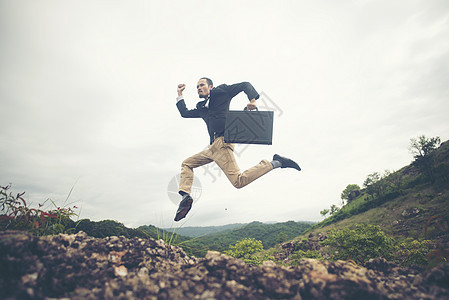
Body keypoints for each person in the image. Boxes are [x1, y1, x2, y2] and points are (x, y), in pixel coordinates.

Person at [174, 77, 301, 221]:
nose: (198, 88)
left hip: (222, 144)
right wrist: (180, 94)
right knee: (187, 163)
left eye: (202, 85)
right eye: (197, 87)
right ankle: (185, 196)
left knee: (238, 181)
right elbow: (185, 113)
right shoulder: (202, 108)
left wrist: (252, 101)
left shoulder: (221, 91)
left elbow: (245, 85)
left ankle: (276, 162)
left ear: (211, 87)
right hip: (212, 148)